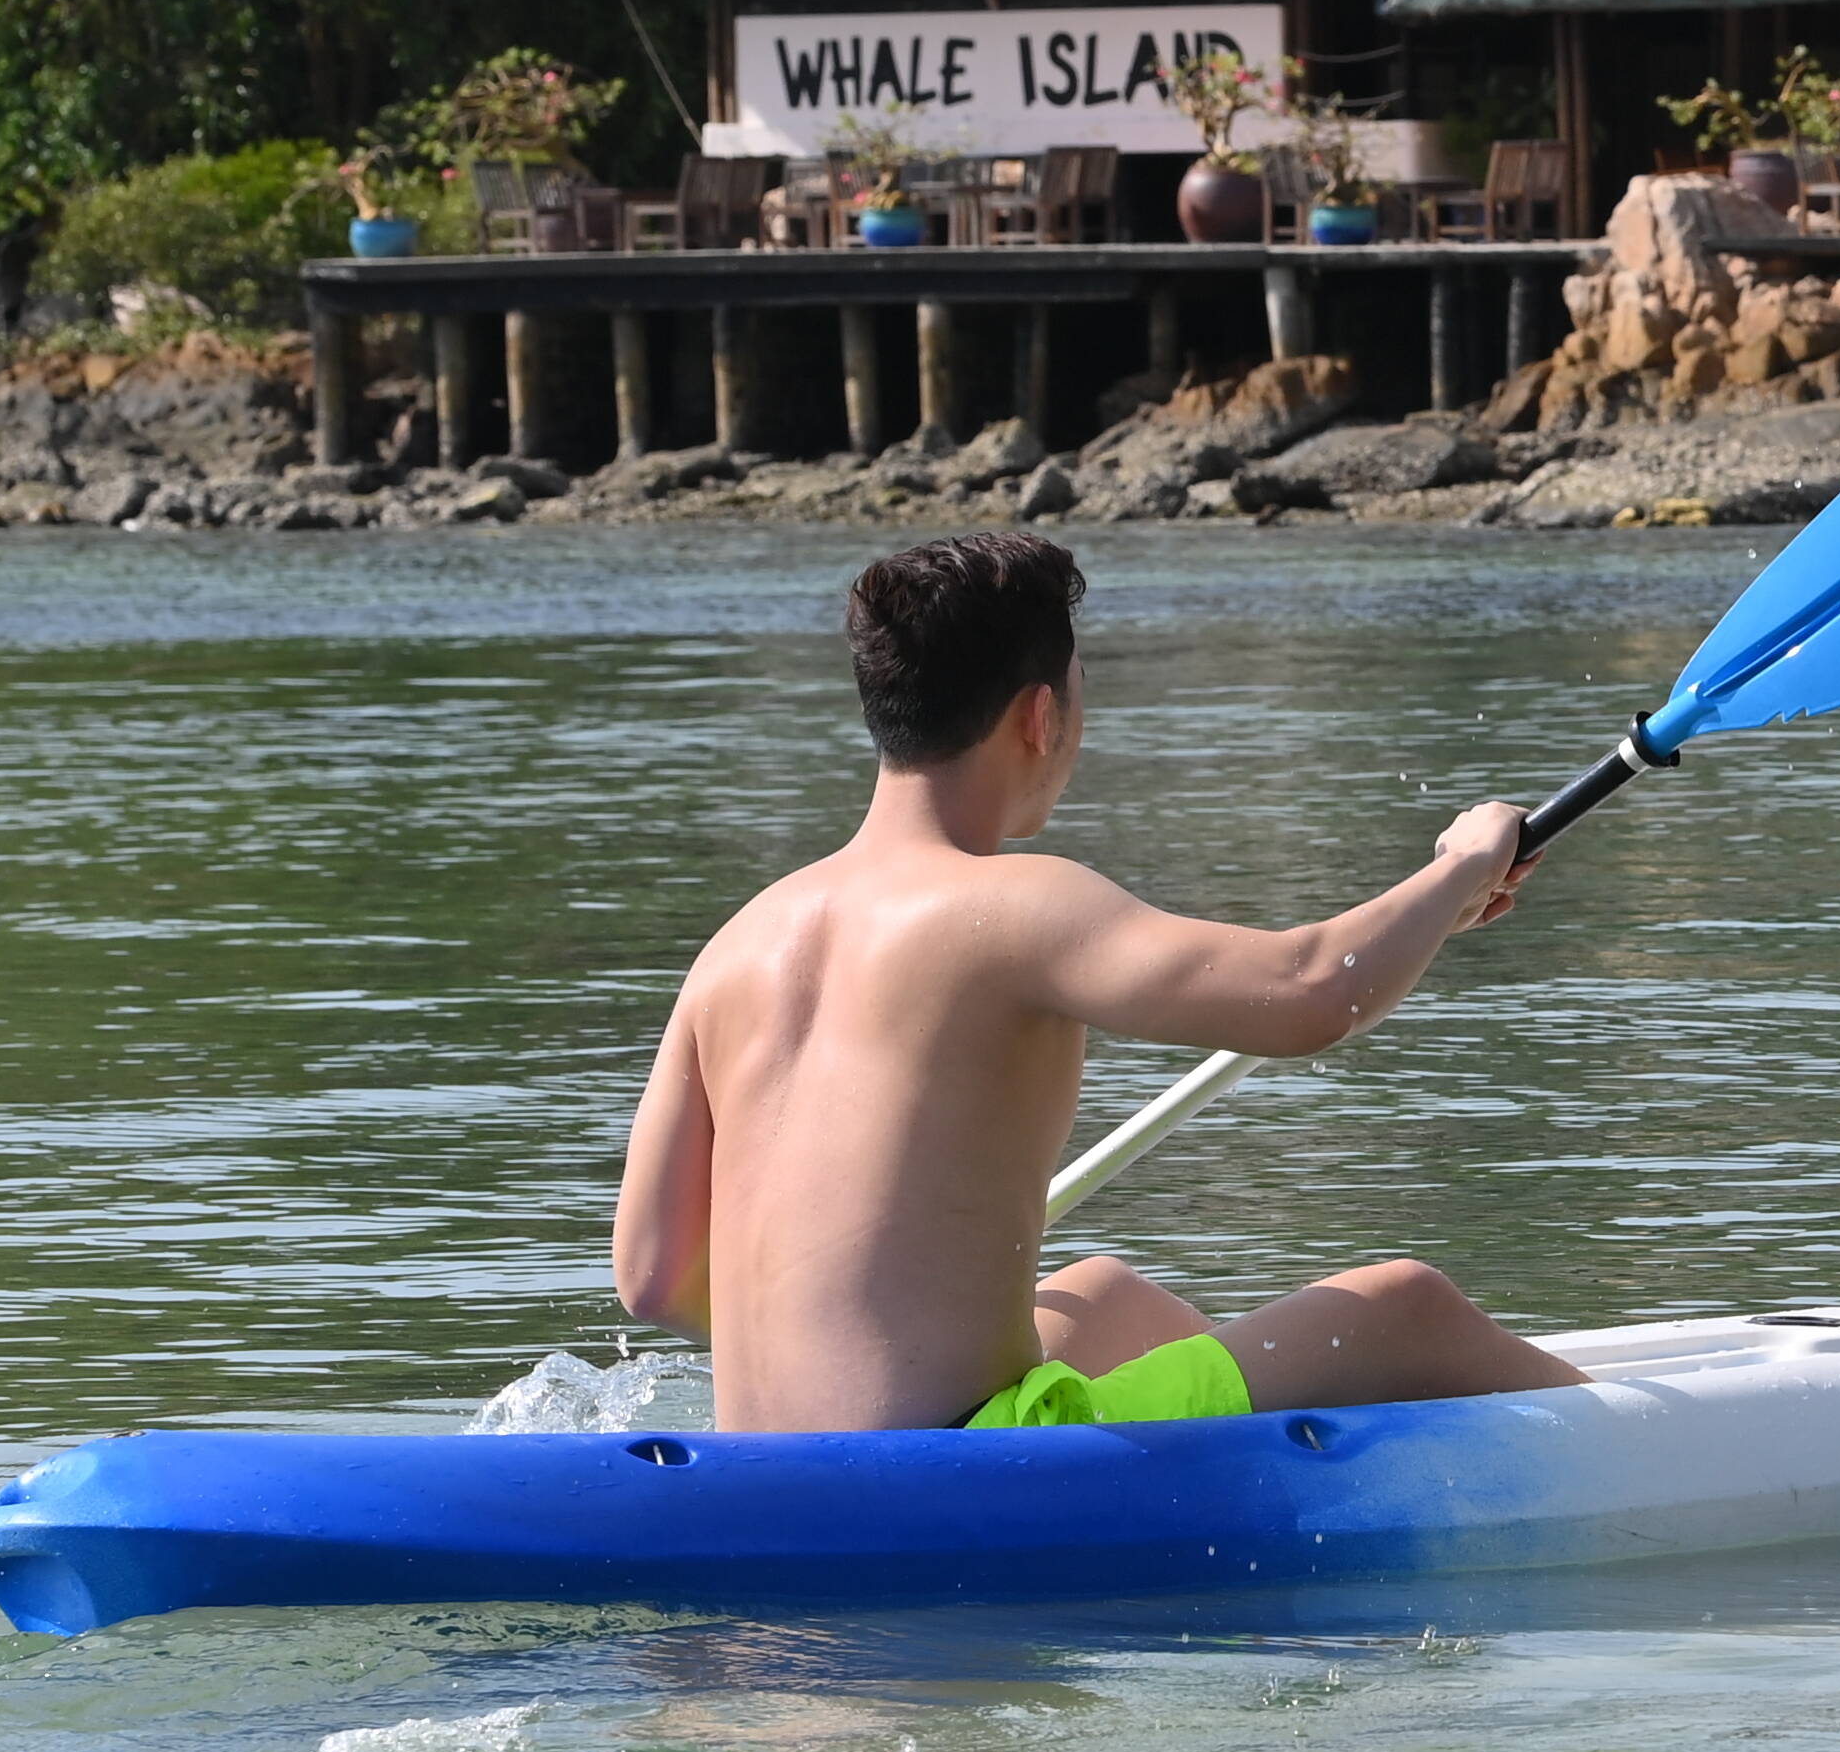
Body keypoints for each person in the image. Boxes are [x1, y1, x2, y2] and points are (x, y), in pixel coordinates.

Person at [614, 530, 1584, 1431]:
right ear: (1041, 715)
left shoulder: (739, 945)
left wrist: (862, 1311)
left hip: (758, 1462)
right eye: (1080, 691)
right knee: (1401, 1307)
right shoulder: (1012, 906)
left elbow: (652, 1279)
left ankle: (1234, 1468)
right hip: (953, 1477)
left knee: (1106, 1298)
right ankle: (1665, 1441)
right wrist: (1458, 865)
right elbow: (1310, 990)